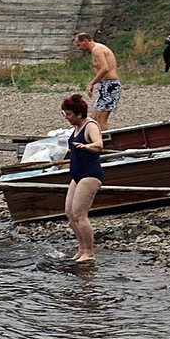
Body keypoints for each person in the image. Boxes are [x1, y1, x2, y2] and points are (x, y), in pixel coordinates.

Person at [58, 92, 104, 262]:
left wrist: (86, 147)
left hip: (90, 174)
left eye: (69, 115)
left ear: (79, 114)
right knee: (69, 212)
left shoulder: (90, 125)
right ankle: (81, 248)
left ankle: (89, 252)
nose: (67, 118)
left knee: (79, 214)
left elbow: (99, 145)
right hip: (77, 175)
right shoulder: (76, 126)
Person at [74, 32, 120, 129]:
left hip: (110, 85)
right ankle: (89, 139)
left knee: (101, 121)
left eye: (79, 45)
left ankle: (103, 142)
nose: (79, 48)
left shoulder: (97, 50)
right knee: (92, 118)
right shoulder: (97, 49)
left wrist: (91, 84)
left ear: (85, 41)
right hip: (104, 85)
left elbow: (105, 68)